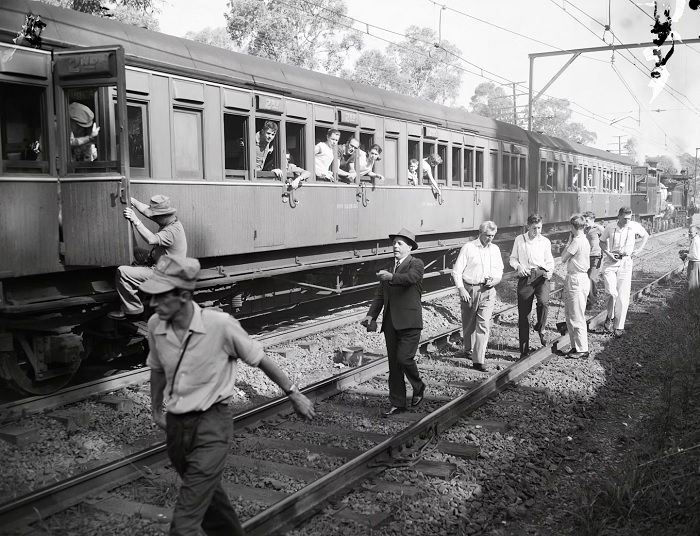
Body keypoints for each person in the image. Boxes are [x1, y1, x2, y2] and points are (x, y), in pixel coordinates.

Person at [141, 256, 315, 536]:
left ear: (184, 295)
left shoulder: (220, 325)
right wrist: (155, 409)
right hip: (177, 429)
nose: (152, 304)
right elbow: (158, 368)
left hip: (212, 427)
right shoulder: (155, 325)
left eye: (160, 297)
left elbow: (260, 359)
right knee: (212, 506)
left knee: (184, 523)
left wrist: (293, 393)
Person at [361, 228, 426, 417]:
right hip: (390, 323)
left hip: (410, 322)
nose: (395, 246)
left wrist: (391, 277)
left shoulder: (416, 263)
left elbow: (411, 279)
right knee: (394, 366)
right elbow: (380, 295)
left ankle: (418, 386)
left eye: (399, 243)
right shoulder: (390, 268)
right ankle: (397, 403)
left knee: (404, 359)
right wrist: (371, 315)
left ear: (409, 247)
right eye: (394, 243)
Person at [109, 195, 187, 320]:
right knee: (137, 252)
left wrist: (136, 220)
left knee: (122, 272)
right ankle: (140, 294)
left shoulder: (172, 230)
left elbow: (151, 239)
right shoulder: (170, 220)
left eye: (155, 216)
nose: (152, 217)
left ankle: (133, 310)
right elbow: (147, 210)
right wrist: (132, 201)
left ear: (162, 215)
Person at [451, 221, 504, 371]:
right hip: (470, 290)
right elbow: (457, 271)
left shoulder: (495, 249)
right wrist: (461, 289)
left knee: (483, 324)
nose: (490, 239)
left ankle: (478, 360)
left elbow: (499, 270)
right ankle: (468, 350)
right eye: (487, 236)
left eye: (493, 236)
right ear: (480, 233)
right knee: (468, 325)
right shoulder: (469, 247)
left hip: (488, 291)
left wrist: (495, 280)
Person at [598, 207, 649, 338]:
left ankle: (619, 327)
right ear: (619, 216)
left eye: (629, 218)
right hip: (610, 262)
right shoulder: (610, 227)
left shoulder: (634, 226)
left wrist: (639, 249)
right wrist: (608, 254)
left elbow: (645, 235)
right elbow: (602, 242)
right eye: (625, 218)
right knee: (611, 293)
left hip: (626, 262)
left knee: (623, 296)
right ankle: (610, 316)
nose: (627, 220)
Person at [509, 213, 555, 357]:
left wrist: (550, 272)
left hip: (541, 276)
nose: (537, 231)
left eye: (539, 228)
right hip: (526, 277)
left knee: (543, 302)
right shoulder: (519, 240)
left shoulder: (545, 241)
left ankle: (540, 328)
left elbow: (550, 261)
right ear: (528, 226)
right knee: (524, 315)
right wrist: (518, 267)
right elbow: (513, 259)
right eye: (534, 228)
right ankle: (524, 350)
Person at [560, 214, 591, 359]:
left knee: (576, 316)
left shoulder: (576, 242)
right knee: (571, 315)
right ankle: (575, 346)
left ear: (572, 227)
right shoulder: (584, 240)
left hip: (576, 279)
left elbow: (563, 258)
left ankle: (582, 348)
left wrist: (568, 242)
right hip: (579, 278)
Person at [583, 211, 605, 309]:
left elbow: (606, 241)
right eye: (584, 220)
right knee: (587, 278)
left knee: (591, 278)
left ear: (592, 220)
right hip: (586, 257)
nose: (585, 222)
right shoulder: (584, 229)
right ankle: (592, 296)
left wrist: (605, 254)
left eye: (587, 220)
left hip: (596, 256)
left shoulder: (599, 229)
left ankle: (591, 302)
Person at [680, 224, 700, 296]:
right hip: (695, 263)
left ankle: (693, 299)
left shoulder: (695, 241)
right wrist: (687, 251)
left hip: (694, 264)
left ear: (696, 232)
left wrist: (686, 255)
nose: (689, 234)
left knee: (692, 283)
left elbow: (695, 256)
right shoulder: (696, 239)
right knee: (695, 283)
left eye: (691, 232)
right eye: (689, 232)